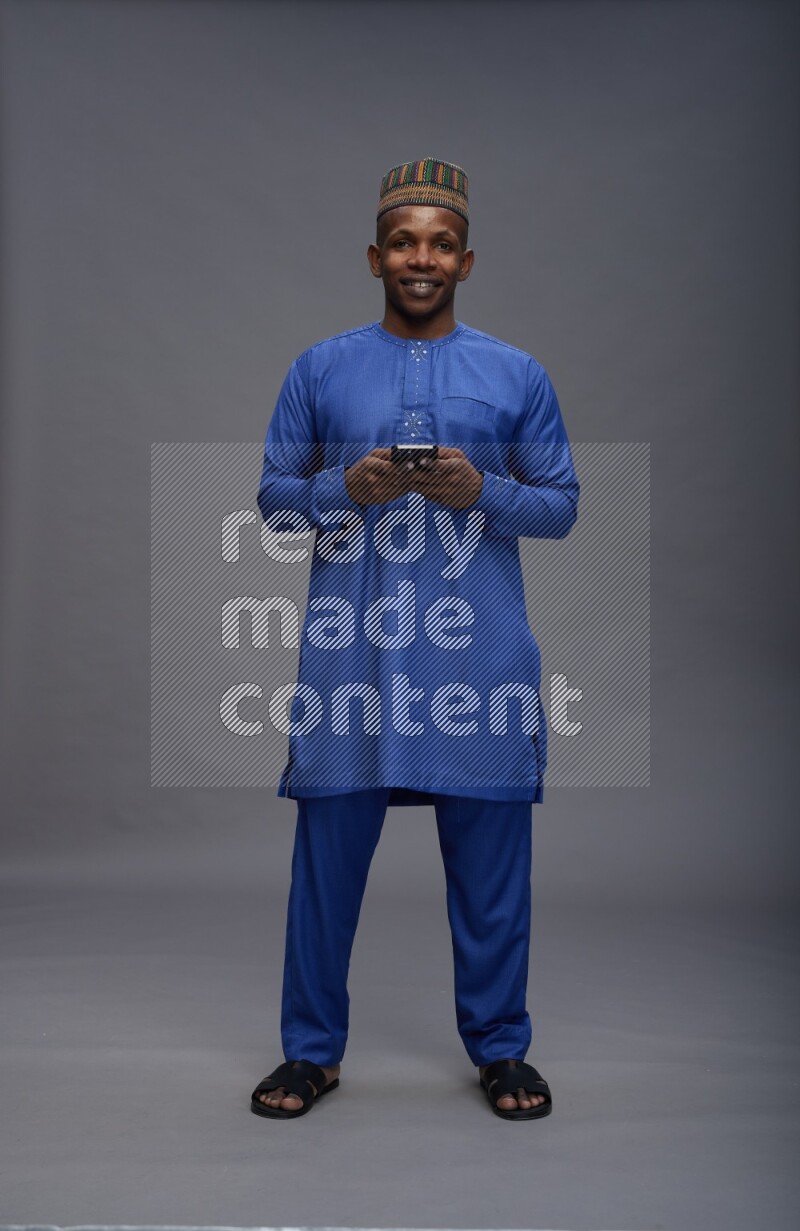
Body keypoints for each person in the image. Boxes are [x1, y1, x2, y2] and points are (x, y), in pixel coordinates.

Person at [250, 158, 579, 1120]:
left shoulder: (518, 373)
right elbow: (272, 503)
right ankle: (310, 1052)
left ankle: (503, 1049)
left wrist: (489, 493)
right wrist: (337, 489)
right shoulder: (321, 367)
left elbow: (561, 508)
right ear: (374, 256)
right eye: (403, 241)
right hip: (352, 656)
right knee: (325, 866)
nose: (420, 257)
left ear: (466, 260)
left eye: (439, 242)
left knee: (491, 872)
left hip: (478, 658)